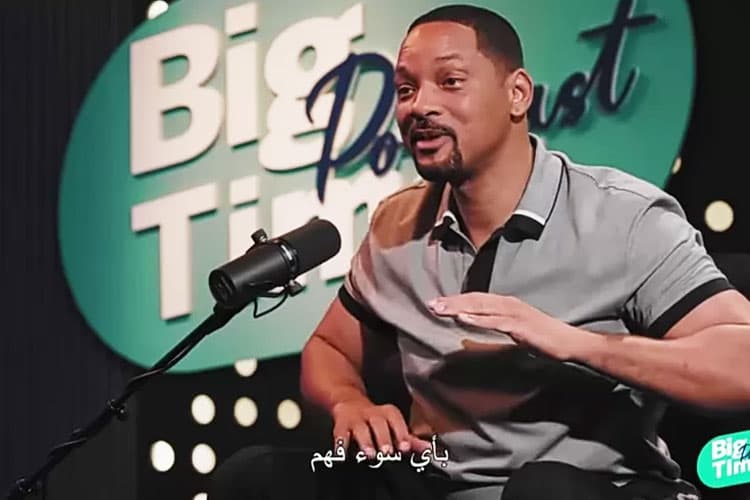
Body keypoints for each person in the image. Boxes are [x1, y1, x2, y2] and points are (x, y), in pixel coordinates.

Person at [209, 5, 750, 499]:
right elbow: (329, 348)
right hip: (439, 483)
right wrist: (349, 402)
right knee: (256, 476)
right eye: (405, 89)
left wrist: (578, 344)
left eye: (450, 82)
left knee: (542, 492)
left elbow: (741, 365)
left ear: (517, 94)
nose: (420, 106)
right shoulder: (396, 225)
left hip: (598, 488)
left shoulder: (623, 216)